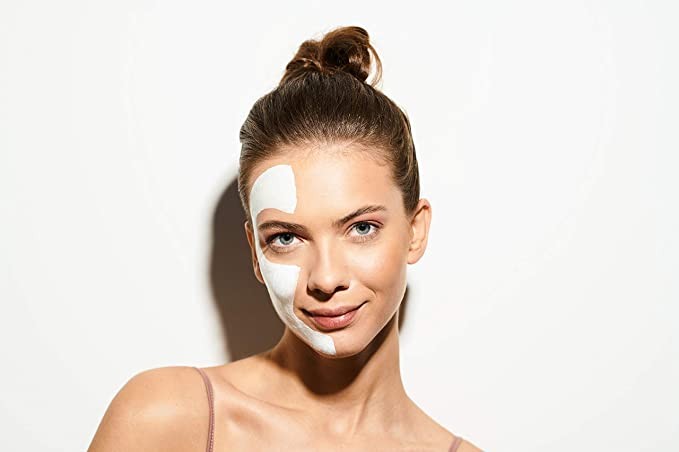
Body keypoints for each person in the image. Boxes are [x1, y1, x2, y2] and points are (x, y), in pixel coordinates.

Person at [88, 25, 483, 452]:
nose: (326, 279)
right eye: (286, 239)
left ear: (415, 231)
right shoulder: (166, 419)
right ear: (255, 253)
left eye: (361, 228)